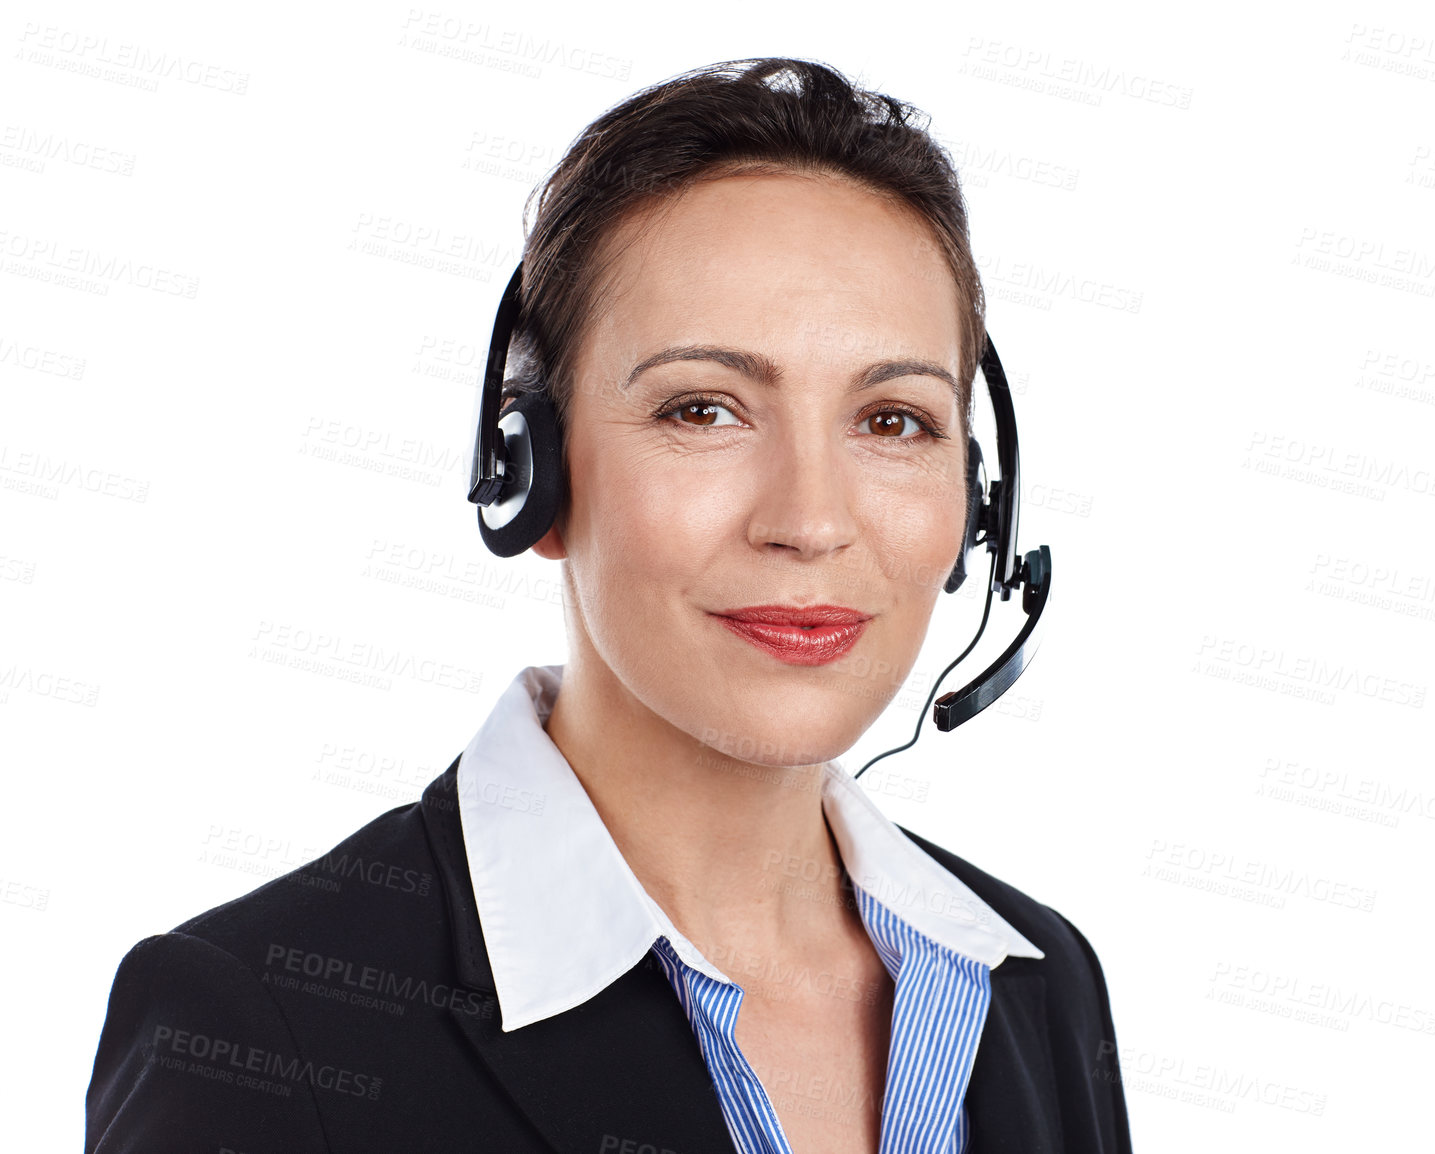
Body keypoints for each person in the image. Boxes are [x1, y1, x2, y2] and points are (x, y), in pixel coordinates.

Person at [85, 57, 1132, 1153]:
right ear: (529, 470)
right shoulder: (262, 1021)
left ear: (976, 507)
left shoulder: (1037, 985)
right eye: (704, 408)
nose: (811, 520)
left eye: (893, 421)